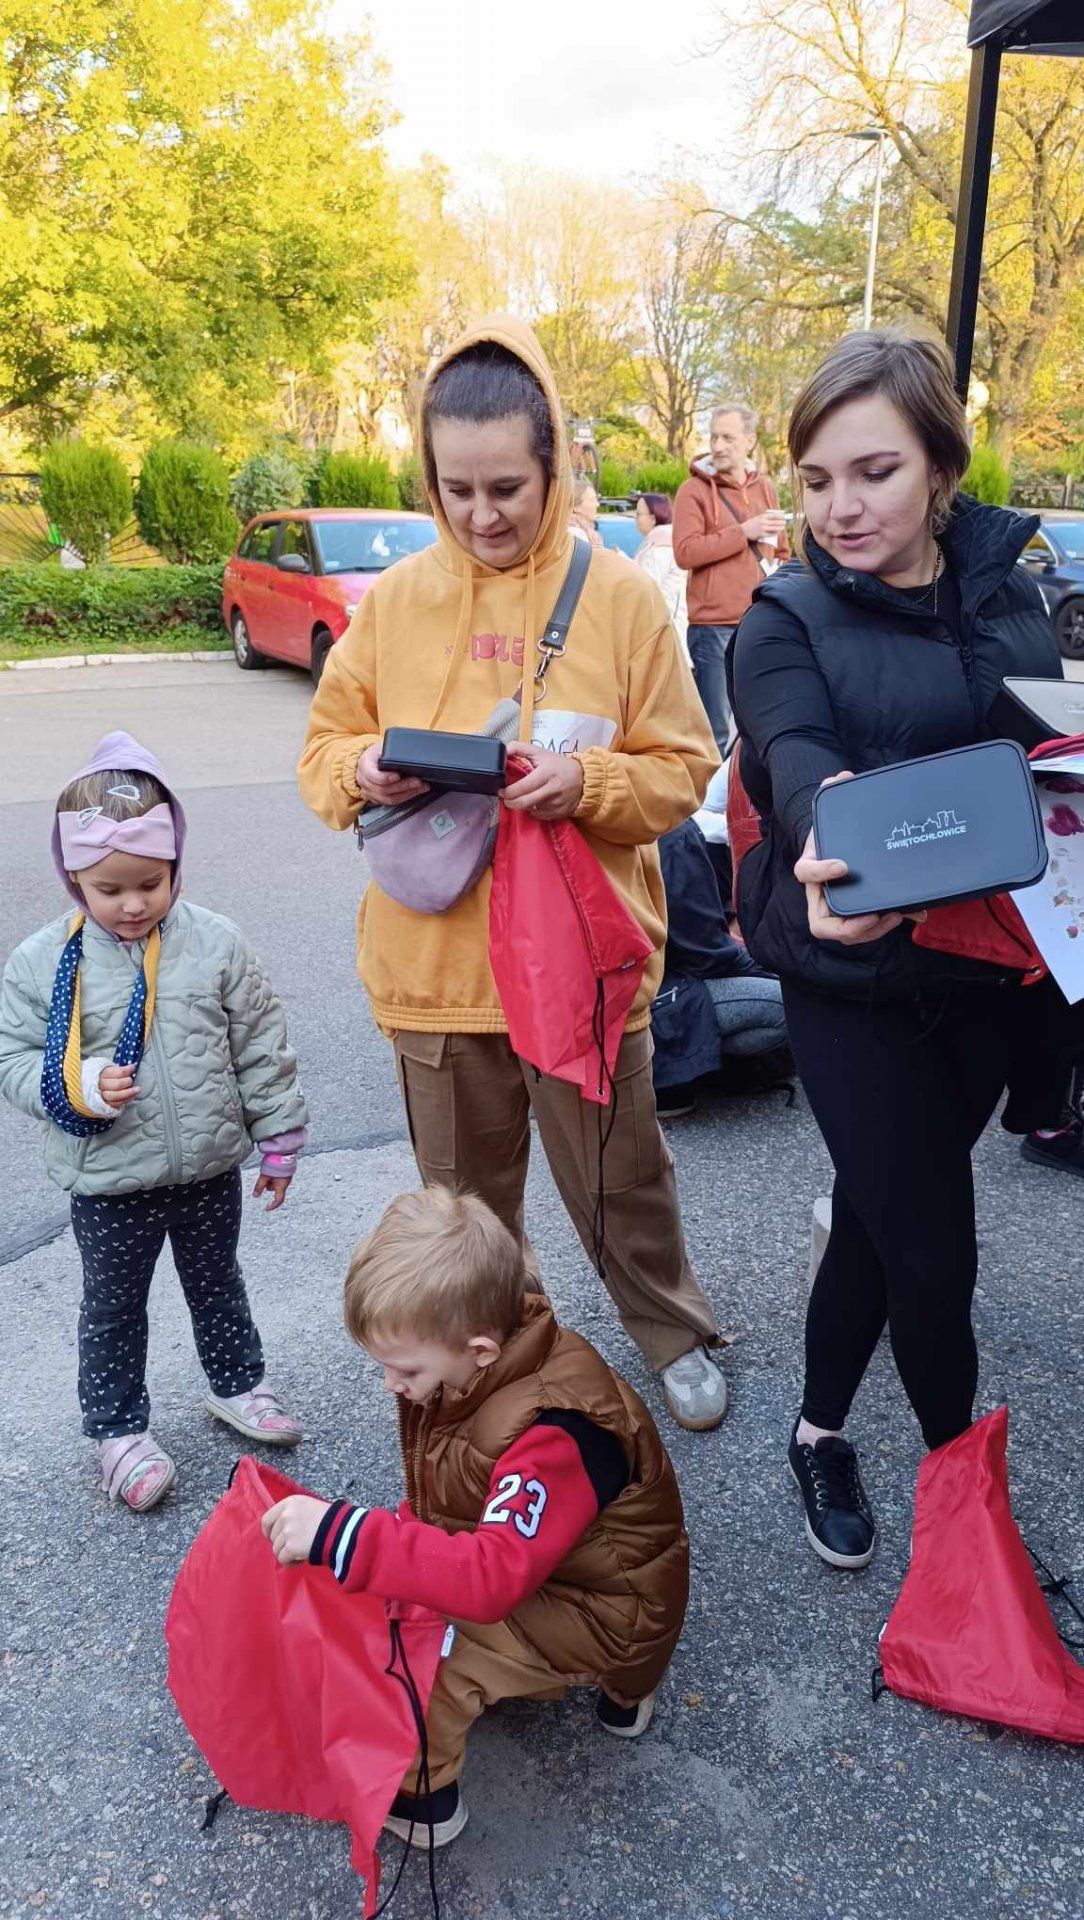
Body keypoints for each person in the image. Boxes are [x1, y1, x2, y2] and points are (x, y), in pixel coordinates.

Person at [298, 316, 728, 1432]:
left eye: (507, 489)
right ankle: (505, 1356)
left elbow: (684, 769)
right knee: (466, 1210)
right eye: (457, 491)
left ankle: (670, 1330)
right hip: (434, 973)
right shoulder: (395, 603)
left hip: (582, 966)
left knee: (622, 1180)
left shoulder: (621, 599)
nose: (482, 515)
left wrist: (586, 782)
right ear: (428, 479)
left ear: (555, 469)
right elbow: (322, 754)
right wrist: (364, 770)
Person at [728, 327, 1078, 1571]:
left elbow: (1036, 747)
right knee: (933, 1252)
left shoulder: (1007, 591)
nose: (840, 508)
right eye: (816, 480)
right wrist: (836, 853)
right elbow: (798, 762)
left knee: (882, 1220)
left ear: (939, 467)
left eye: (873, 472)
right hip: (850, 981)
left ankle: (817, 1431)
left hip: (985, 975)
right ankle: (962, 1506)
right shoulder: (782, 616)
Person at [262, 1186, 688, 1847]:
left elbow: (490, 1581)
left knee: (420, 1665)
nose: (391, 1385)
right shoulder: (485, 1366)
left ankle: (424, 1802)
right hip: (583, 1580)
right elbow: (460, 1497)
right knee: (406, 1588)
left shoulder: (553, 1435)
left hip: (604, 1615)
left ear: (482, 1349)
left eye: (404, 1369)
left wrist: (350, 1536)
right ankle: (625, 1696)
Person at [0, 731, 308, 1512]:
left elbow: (259, 1042)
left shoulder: (214, 942)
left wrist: (278, 1138)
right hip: (109, 1181)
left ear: (176, 865)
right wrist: (76, 1083)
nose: (133, 903)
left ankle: (238, 1384)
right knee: (113, 1308)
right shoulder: (44, 962)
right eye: (110, 888)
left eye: (151, 882)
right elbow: (13, 1058)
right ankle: (118, 1433)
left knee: (218, 1283)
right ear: (73, 877)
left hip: (208, 1167)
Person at [651, 819, 790, 1118]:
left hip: (588, 1007)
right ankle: (678, 1075)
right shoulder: (669, 829)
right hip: (655, 1000)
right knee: (791, 1003)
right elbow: (705, 956)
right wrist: (771, 965)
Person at [673, 404, 789, 753]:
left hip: (760, 621)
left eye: (728, 438)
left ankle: (749, 788)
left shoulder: (765, 488)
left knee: (761, 724)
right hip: (713, 629)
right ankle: (710, 791)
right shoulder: (693, 491)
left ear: (749, 441)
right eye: (714, 437)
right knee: (716, 732)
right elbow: (685, 552)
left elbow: (781, 551)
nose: (718, 446)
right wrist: (744, 532)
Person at [635, 492, 688, 657]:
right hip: (669, 624)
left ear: (653, 518)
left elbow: (645, 587)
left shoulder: (659, 548)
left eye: (638, 514)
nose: (635, 519)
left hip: (663, 627)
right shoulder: (665, 541)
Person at [570, 474, 604, 548]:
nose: (597, 504)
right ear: (576, 507)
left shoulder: (587, 531)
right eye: (592, 500)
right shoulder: (576, 534)